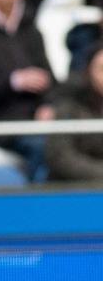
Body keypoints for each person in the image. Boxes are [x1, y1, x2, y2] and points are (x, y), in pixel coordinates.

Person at [43, 43, 103, 182]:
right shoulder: (69, 105)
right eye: (102, 69)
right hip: (72, 190)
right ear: (89, 72)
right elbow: (60, 156)